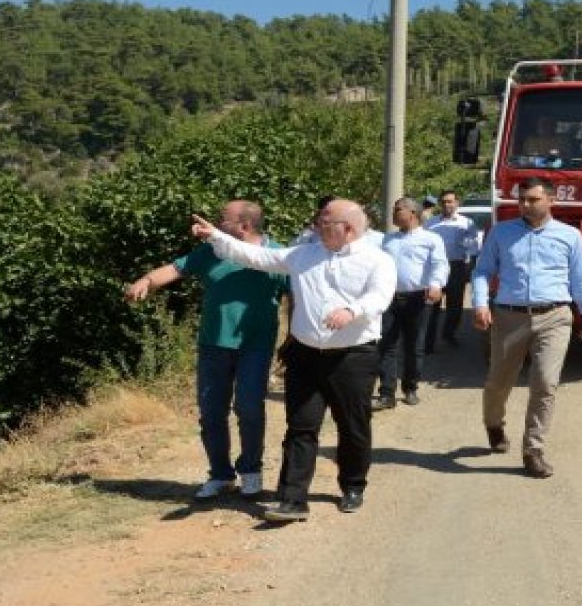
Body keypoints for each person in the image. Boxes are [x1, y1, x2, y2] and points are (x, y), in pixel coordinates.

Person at [191, 199, 396, 522]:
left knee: (352, 427)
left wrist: (351, 311)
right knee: (301, 427)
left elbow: (379, 297)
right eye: (318, 222)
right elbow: (257, 256)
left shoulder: (378, 261)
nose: (317, 227)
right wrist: (216, 235)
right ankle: (292, 499)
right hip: (305, 357)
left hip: (353, 357)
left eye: (325, 224)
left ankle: (353, 485)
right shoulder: (304, 255)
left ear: (349, 229)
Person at [125, 200, 287, 500]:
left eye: (222, 219)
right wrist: (146, 280)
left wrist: (294, 339)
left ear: (244, 226)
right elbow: (175, 269)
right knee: (212, 413)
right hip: (213, 345)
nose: (216, 222)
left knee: (250, 409)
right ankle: (220, 475)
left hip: (255, 345)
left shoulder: (275, 255)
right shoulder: (213, 250)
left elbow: (297, 294)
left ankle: (251, 471)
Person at [470, 177, 582, 478]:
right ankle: (494, 424)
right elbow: (482, 271)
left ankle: (533, 450)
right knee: (498, 382)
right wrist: (480, 304)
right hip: (509, 316)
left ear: (551, 200)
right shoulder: (501, 233)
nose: (526, 205)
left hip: (555, 316)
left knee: (545, 382)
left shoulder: (570, 236)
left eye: (533, 199)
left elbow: (580, 281)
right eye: (522, 200)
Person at [373, 197, 448, 410]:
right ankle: (386, 393)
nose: (394, 213)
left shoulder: (431, 239)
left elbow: (440, 265)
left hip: (419, 298)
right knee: (387, 344)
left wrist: (436, 285)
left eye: (398, 210)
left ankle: (410, 387)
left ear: (413, 213)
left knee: (414, 345)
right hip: (390, 298)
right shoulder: (387, 240)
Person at [424, 190, 482, 352]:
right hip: (434, 268)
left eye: (450, 201)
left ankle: (449, 335)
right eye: (443, 202)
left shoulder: (466, 223)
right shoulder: (430, 224)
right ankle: (428, 341)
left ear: (457, 203)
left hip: (456, 267)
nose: (447, 205)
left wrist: (469, 265)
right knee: (431, 306)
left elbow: (474, 247)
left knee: (455, 306)